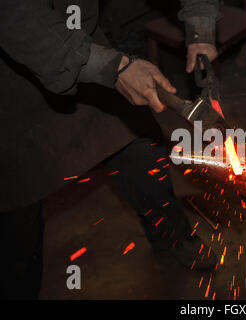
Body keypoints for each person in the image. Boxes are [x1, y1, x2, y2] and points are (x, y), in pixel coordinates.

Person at [0, 0, 220, 299]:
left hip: (84, 48)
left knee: (139, 151)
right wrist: (112, 68)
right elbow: (16, 16)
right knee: (16, 211)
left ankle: (172, 234)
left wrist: (201, 26)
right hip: (13, 80)